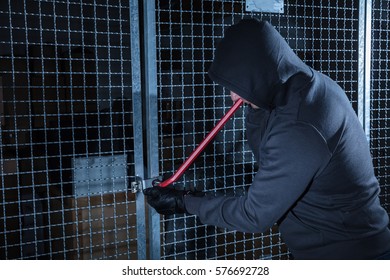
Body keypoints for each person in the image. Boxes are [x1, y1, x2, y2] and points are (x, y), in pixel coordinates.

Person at [144, 18, 390, 260]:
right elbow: (265, 156)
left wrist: (184, 203)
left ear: (260, 72)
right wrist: (257, 104)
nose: (232, 97)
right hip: (332, 246)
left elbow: (254, 216)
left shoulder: (300, 124)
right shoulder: (302, 87)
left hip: (348, 257)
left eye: (238, 84)